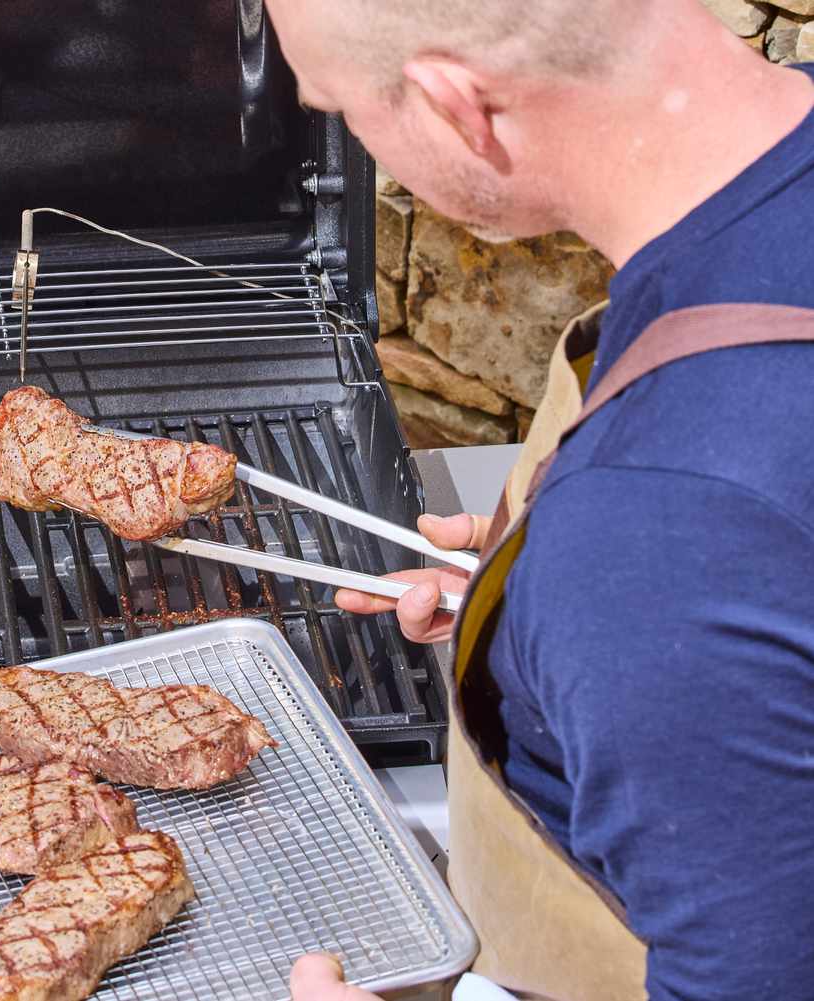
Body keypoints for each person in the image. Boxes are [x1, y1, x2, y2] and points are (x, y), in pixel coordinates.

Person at [261, 1, 814, 999]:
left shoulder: (662, 535)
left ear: (455, 106)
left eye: (344, 108)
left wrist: (623, 588)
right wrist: (552, 586)